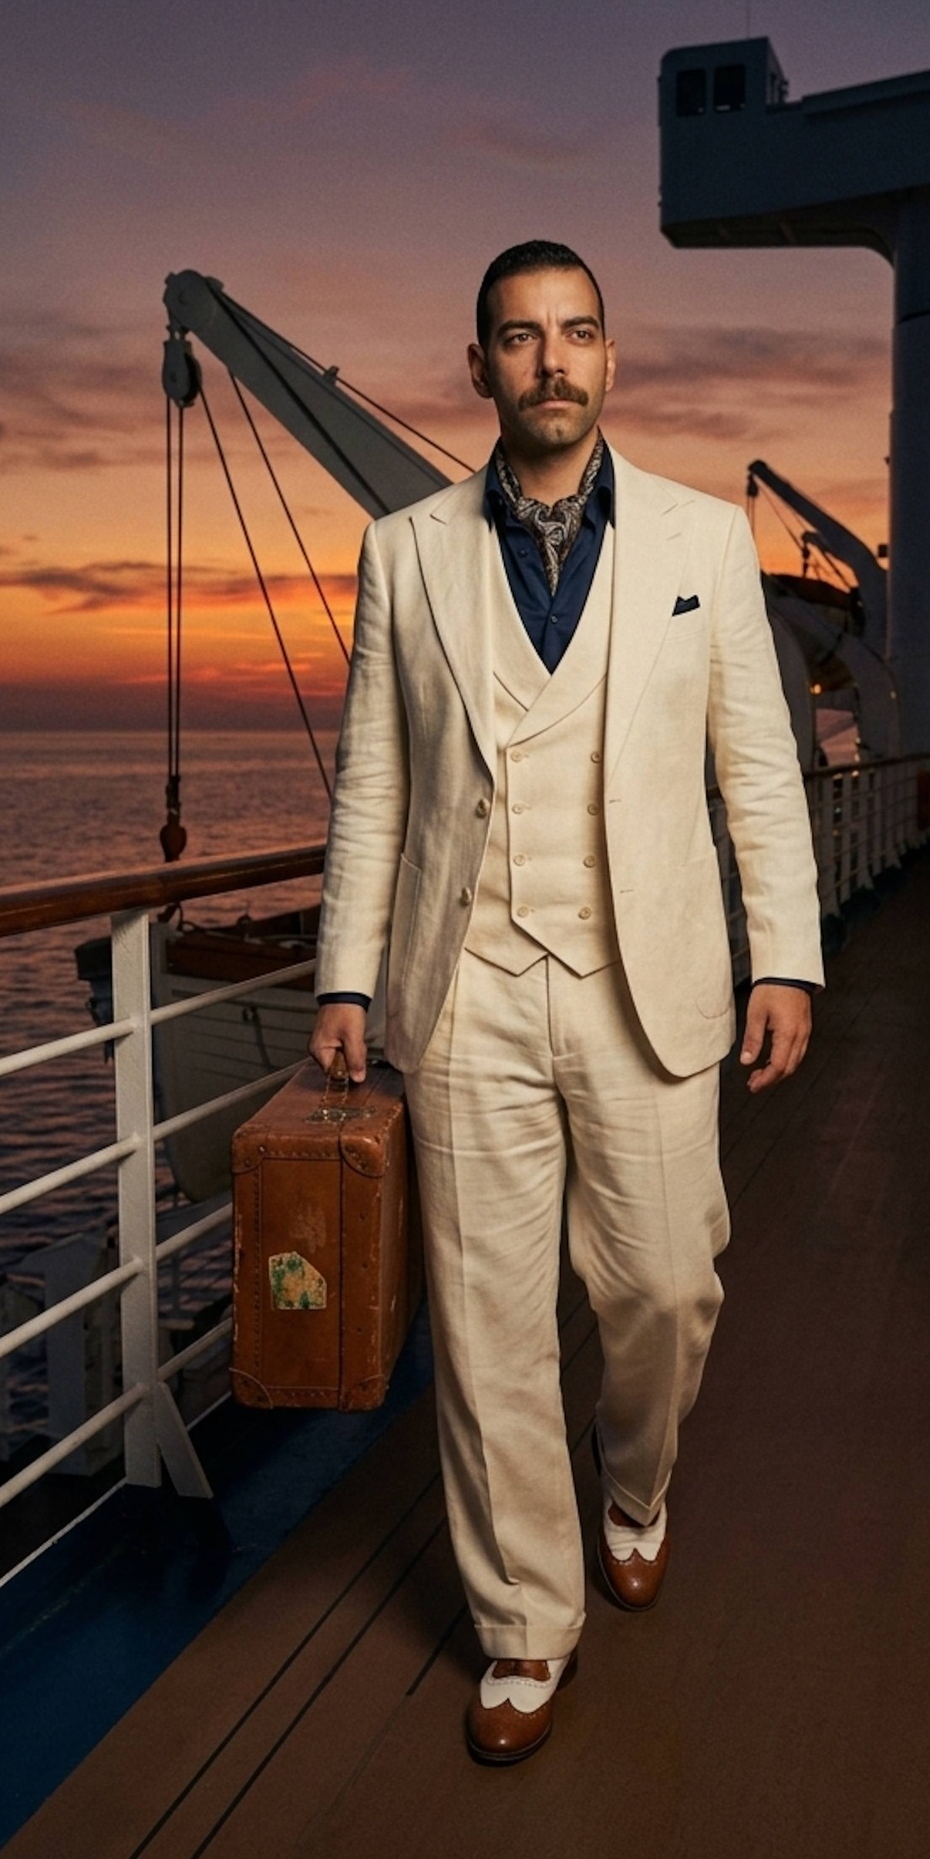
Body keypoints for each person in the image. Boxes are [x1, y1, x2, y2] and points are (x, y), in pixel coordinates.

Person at [309, 239, 821, 1763]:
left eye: (576, 333)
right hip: (461, 993)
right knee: (484, 1331)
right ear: (478, 368)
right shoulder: (402, 551)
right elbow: (375, 791)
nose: (550, 360)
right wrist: (345, 970)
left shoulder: (699, 543)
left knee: (664, 1287)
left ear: (611, 359)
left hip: (647, 984)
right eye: (519, 337)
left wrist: (782, 951)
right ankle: (526, 1624)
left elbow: (756, 769)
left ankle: (633, 1483)